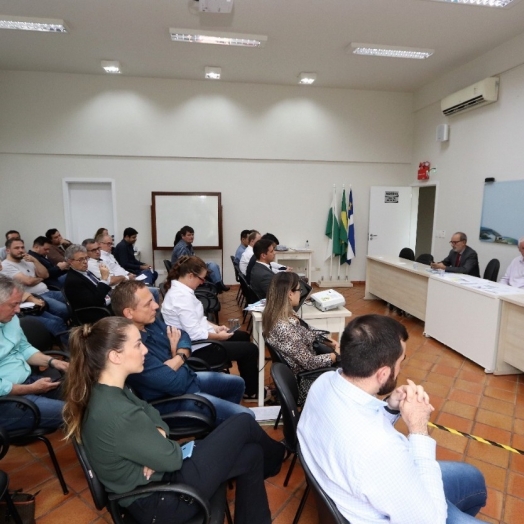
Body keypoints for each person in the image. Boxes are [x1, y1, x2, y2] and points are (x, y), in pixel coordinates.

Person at [62, 316, 285, 524]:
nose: (145, 350)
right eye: (138, 345)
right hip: (162, 500)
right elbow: (172, 458)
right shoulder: (117, 411)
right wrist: (161, 446)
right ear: (115, 356)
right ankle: (279, 456)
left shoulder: (107, 390)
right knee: (243, 423)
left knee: (252, 455)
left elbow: (149, 410)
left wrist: (157, 433)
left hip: (161, 478)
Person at [298, 314, 487, 524]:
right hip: (400, 514)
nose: (401, 368)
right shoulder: (383, 449)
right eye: (400, 362)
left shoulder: (323, 382)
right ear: (383, 373)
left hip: (351, 487)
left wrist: (389, 407)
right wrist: (418, 429)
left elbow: (363, 427)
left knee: (472, 478)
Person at [111, 280, 254, 425]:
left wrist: (177, 356)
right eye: (148, 304)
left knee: (237, 383)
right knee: (247, 416)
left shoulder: (151, 323)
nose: (156, 306)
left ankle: (218, 430)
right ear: (129, 313)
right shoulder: (132, 348)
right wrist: (180, 355)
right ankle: (224, 427)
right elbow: (177, 386)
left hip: (186, 379)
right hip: (173, 401)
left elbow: (183, 335)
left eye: (153, 300)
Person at [161, 256, 266, 402]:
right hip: (196, 349)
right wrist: (219, 337)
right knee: (250, 350)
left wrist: (217, 328)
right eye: (201, 279)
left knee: (242, 336)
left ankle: (250, 384)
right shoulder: (181, 298)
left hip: (197, 341)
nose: (202, 282)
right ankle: (251, 392)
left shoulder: (183, 291)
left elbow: (198, 320)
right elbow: (195, 333)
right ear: (191, 275)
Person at [0, 275, 69, 432]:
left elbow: (23, 348)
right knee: (74, 412)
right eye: (14, 304)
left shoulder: (10, 319)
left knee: (83, 392)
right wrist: (31, 389)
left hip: (28, 382)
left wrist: (53, 362)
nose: (18, 310)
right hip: (6, 401)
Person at [263, 272, 339, 403]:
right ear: (289, 294)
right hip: (305, 381)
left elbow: (308, 332)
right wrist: (335, 356)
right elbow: (309, 362)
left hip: (305, 367)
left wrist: (328, 342)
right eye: (299, 289)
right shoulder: (284, 327)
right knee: (350, 369)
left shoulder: (282, 314)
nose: (301, 293)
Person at [1, 238, 69, 320]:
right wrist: (40, 278)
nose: (21, 250)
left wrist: (34, 260)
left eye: (22, 247)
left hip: (48, 291)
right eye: (17, 248)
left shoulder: (27, 260)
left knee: (75, 298)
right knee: (64, 309)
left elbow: (45, 274)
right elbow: (29, 281)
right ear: (8, 251)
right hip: (36, 296)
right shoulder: (6, 265)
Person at [171, 226, 229, 292]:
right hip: (185, 272)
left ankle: (218, 285)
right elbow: (184, 264)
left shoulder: (188, 245)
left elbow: (192, 258)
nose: (191, 237)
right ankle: (218, 285)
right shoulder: (181, 247)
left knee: (213, 265)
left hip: (191, 267)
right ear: (182, 236)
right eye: (189, 235)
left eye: (192, 234)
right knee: (212, 265)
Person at [63, 244, 112, 322]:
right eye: (81, 259)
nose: (85, 262)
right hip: (97, 314)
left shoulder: (84, 271)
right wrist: (104, 279)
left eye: (86, 258)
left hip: (107, 303)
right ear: (70, 262)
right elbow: (96, 301)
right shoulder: (73, 281)